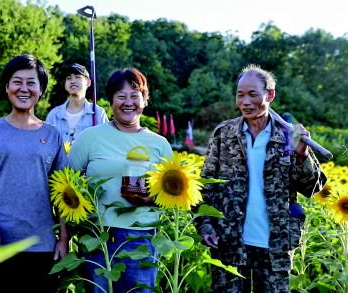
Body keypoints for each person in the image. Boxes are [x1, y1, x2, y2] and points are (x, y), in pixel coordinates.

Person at [195, 64, 327, 292]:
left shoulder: (288, 136)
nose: (245, 102)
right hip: (229, 243)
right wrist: (206, 226)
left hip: (275, 245)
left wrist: (301, 153)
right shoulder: (224, 134)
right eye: (240, 95)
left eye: (252, 94)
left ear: (270, 95)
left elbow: (312, 187)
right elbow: (205, 186)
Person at [0, 54, 69, 292]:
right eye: (17, 81)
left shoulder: (53, 134)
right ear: (7, 87)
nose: (24, 88)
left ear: (41, 90)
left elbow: (63, 191)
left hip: (43, 245)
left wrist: (63, 238)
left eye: (31, 83)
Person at [69, 68, 172, 292]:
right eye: (121, 96)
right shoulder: (90, 137)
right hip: (96, 234)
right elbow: (66, 185)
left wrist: (150, 198)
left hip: (141, 235)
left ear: (144, 100)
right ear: (111, 100)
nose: (128, 102)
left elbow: (172, 195)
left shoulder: (160, 144)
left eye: (135, 96)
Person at [46, 63, 108, 143]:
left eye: (77, 77)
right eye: (69, 78)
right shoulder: (54, 115)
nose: (73, 81)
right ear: (65, 85)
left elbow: (105, 146)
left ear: (88, 82)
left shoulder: (98, 113)